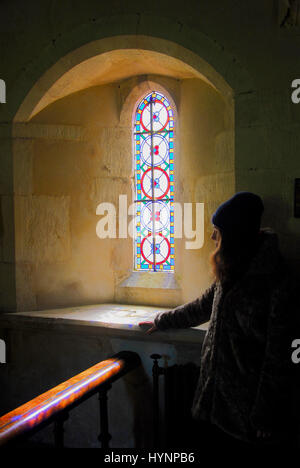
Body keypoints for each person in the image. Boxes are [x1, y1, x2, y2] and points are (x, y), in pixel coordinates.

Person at [139, 192, 296, 449]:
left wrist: (265, 413)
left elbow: (279, 355)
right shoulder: (230, 270)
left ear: (235, 236)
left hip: (249, 412)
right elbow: (203, 306)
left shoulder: (276, 281)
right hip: (215, 402)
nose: (213, 237)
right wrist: (162, 320)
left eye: (218, 231)